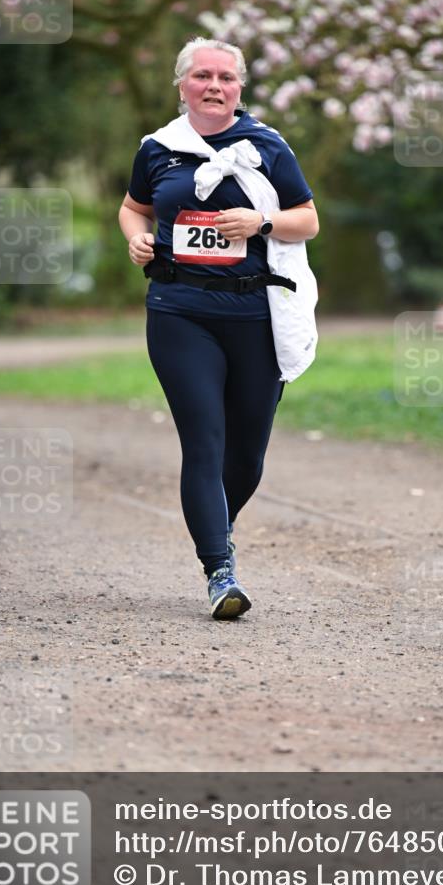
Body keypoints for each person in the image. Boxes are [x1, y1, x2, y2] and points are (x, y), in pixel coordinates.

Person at [119, 37, 319, 619]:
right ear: (181, 85)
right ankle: (220, 572)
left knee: (247, 455)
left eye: (226, 77)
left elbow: (307, 220)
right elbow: (135, 206)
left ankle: (216, 523)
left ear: (239, 88)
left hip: (257, 315)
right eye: (202, 75)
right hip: (180, 311)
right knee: (203, 440)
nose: (214, 85)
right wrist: (135, 235)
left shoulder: (268, 147)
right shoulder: (159, 149)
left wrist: (261, 222)